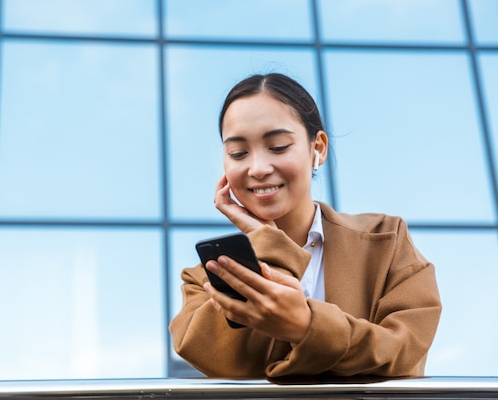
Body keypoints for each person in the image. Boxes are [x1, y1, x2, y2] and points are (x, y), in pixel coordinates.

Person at [169, 73, 441, 380]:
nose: (258, 168)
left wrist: (306, 325)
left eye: (279, 146)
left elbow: (404, 352)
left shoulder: (386, 240)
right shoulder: (206, 277)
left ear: (318, 149)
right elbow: (216, 359)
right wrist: (269, 242)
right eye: (238, 153)